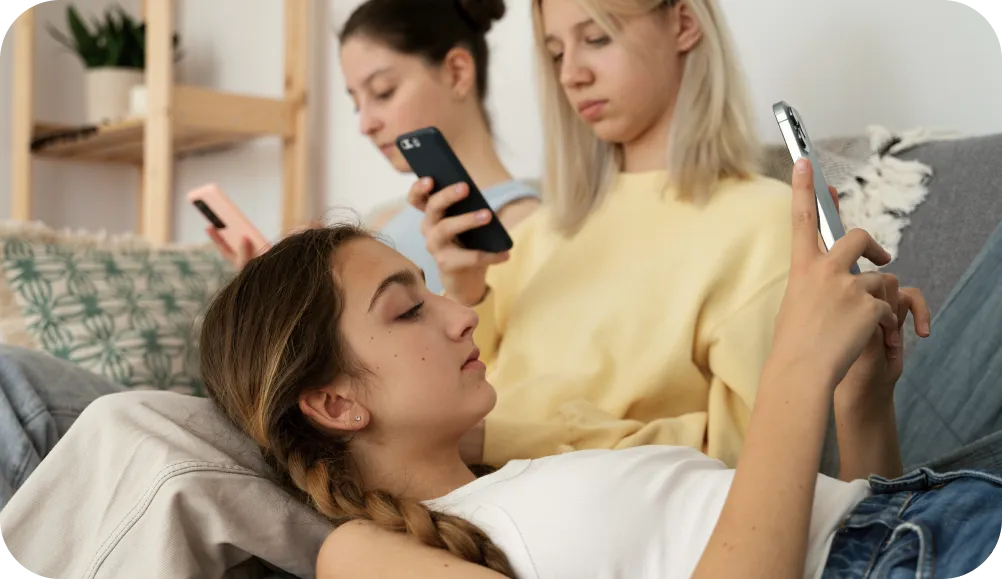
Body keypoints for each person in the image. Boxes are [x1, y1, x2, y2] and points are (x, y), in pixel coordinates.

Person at [197, 159, 1002, 579]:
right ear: (335, 402)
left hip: (926, 523)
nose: (462, 312)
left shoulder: (510, 483)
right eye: (408, 309)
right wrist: (795, 366)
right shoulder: (357, 555)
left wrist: (862, 399)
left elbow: (858, 525)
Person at [408, 0, 803, 469]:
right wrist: (464, 289)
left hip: (592, 512)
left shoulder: (763, 221)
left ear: (682, 24)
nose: (571, 75)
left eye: (596, 38)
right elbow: (474, 390)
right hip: (459, 488)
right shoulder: (540, 231)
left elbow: (743, 454)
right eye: (556, 53)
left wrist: (499, 442)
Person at [207, 0, 540, 295]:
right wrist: (279, 290)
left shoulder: (528, 225)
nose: (365, 125)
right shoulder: (380, 222)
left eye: (383, 91)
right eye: (355, 103)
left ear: (457, 72)